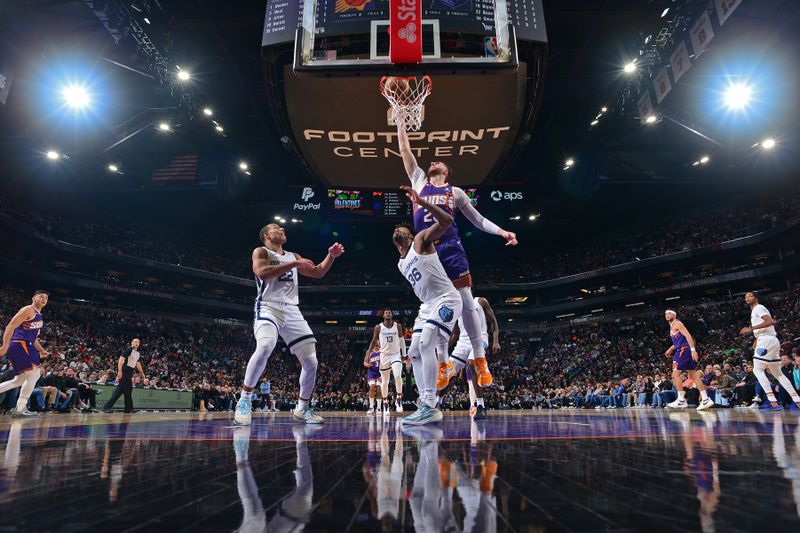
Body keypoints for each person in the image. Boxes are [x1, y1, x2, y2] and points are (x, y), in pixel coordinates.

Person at [395, 119, 518, 389]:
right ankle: (442, 362)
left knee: (466, 301)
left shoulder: (456, 192)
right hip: (426, 252)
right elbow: (405, 150)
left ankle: (480, 358)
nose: (433, 162)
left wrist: (502, 232)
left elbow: (478, 219)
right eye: (431, 162)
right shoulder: (418, 180)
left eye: (438, 162)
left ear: (447, 171)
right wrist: (401, 123)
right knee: (436, 306)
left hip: (450, 248)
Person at [234, 223, 345, 426]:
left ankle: (302, 408)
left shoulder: (293, 255)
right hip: (268, 307)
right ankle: (244, 399)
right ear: (267, 235)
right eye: (277, 228)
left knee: (312, 362)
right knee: (266, 345)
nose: (282, 229)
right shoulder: (261, 251)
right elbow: (262, 272)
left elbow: (318, 272)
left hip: (292, 310)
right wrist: (295, 264)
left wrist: (331, 257)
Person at [393, 185, 463, 426]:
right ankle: (425, 403)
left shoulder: (421, 240)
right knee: (413, 353)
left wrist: (422, 202)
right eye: (395, 229)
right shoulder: (400, 264)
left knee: (425, 344)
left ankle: (431, 405)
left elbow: (446, 220)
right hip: (427, 306)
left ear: (411, 235)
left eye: (402, 228)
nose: (398, 230)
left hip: (447, 298)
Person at [439, 296, 501, 420]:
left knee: (472, 364)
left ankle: (481, 406)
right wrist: (443, 349)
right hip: (463, 342)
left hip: (480, 338)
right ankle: (436, 403)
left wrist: (495, 341)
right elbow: (455, 333)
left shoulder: (480, 301)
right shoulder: (457, 306)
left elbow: (493, 321)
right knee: (446, 373)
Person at [739, 292, 800, 411]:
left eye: (750, 296)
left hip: (766, 340)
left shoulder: (758, 308)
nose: (747, 298)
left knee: (757, 369)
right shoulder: (755, 311)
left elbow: (770, 321)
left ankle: (772, 401)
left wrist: (751, 329)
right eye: (745, 297)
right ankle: (797, 400)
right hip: (771, 340)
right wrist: (756, 339)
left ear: (756, 297)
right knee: (778, 373)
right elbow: (765, 327)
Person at [0, 290, 50, 417]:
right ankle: (19, 409)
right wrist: (5, 345)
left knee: (19, 380)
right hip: (19, 344)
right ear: (33, 298)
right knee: (34, 373)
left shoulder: (39, 316)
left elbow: (33, 339)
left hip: (27, 344)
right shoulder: (28, 310)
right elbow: (10, 326)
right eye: (41, 296)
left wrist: (42, 350)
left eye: (46, 298)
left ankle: (20, 408)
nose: (44, 299)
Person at [663, 310, 714, 411]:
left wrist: (693, 350)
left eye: (669, 313)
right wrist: (671, 348)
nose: (667, 315)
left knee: (675, 374)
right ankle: (705, 399)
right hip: (682, 349)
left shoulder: (677, 323)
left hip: (683, 351)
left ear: (675, 314)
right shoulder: (672, 326)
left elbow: (688, 336)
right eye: (665, 314)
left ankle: (681, 400)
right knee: (694, 376)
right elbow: (679, 340)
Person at [366, 310, 407, 414]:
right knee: (385, 382)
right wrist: (368, 353)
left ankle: (398, 399)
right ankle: (385, 403)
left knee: (397, 375)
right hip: (384, 355)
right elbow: (373, 341)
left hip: (395, 354)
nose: (388, 313)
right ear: (383, 315)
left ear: (392, 315)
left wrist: (404, 354)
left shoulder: (397, 326)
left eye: (390, 312)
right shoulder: (378, 327)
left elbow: (402, 341)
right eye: (386, 312)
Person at [102, 338, 146, 413]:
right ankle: (126, 409)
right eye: (135, 342)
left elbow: (137, 363)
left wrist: (142, 372)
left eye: (138, 342)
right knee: (126, 391)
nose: (137, 343)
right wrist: (119, 371)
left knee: (124, 391)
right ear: (132, 343)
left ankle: (127, 409)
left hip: (129, 372)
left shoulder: (137, 353)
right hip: (124, 371)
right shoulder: (129, 350)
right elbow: (120, 360)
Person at [364, 346, 382, 414]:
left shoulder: (382, 352)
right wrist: (367, 365)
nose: (377, 345)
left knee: (379, 389)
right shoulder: (369, 352)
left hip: (380, 373)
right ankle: (371, 407)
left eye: (378, 344)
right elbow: (365, 362)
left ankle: (379, 407)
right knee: (372, 386)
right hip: (371, 372)